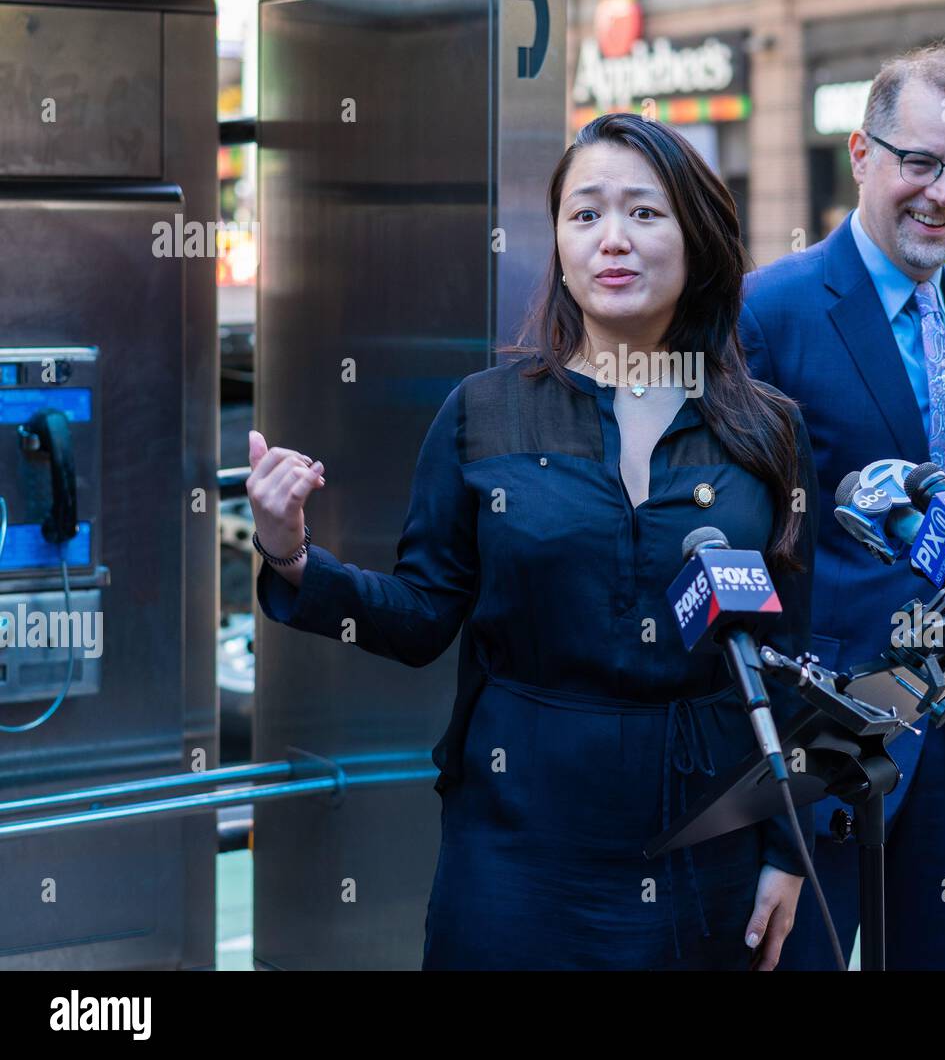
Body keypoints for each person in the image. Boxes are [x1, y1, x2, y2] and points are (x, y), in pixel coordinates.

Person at [248, 113, 818, 970]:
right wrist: (291, 554)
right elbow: (420, 617)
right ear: (557, 241)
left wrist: (785, 848)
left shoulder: (765, 429)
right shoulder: (484, 413)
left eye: (645, 213)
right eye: (585, 215)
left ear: (697, 237)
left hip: (709, 832)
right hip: (518, 839)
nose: (612, 240)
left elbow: (790, 655)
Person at [740, 44, 945, 971]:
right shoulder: (768, 313)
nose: (944, 191)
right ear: (861, 153)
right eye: (920, 162)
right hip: (825, 745)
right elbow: (748, 551)